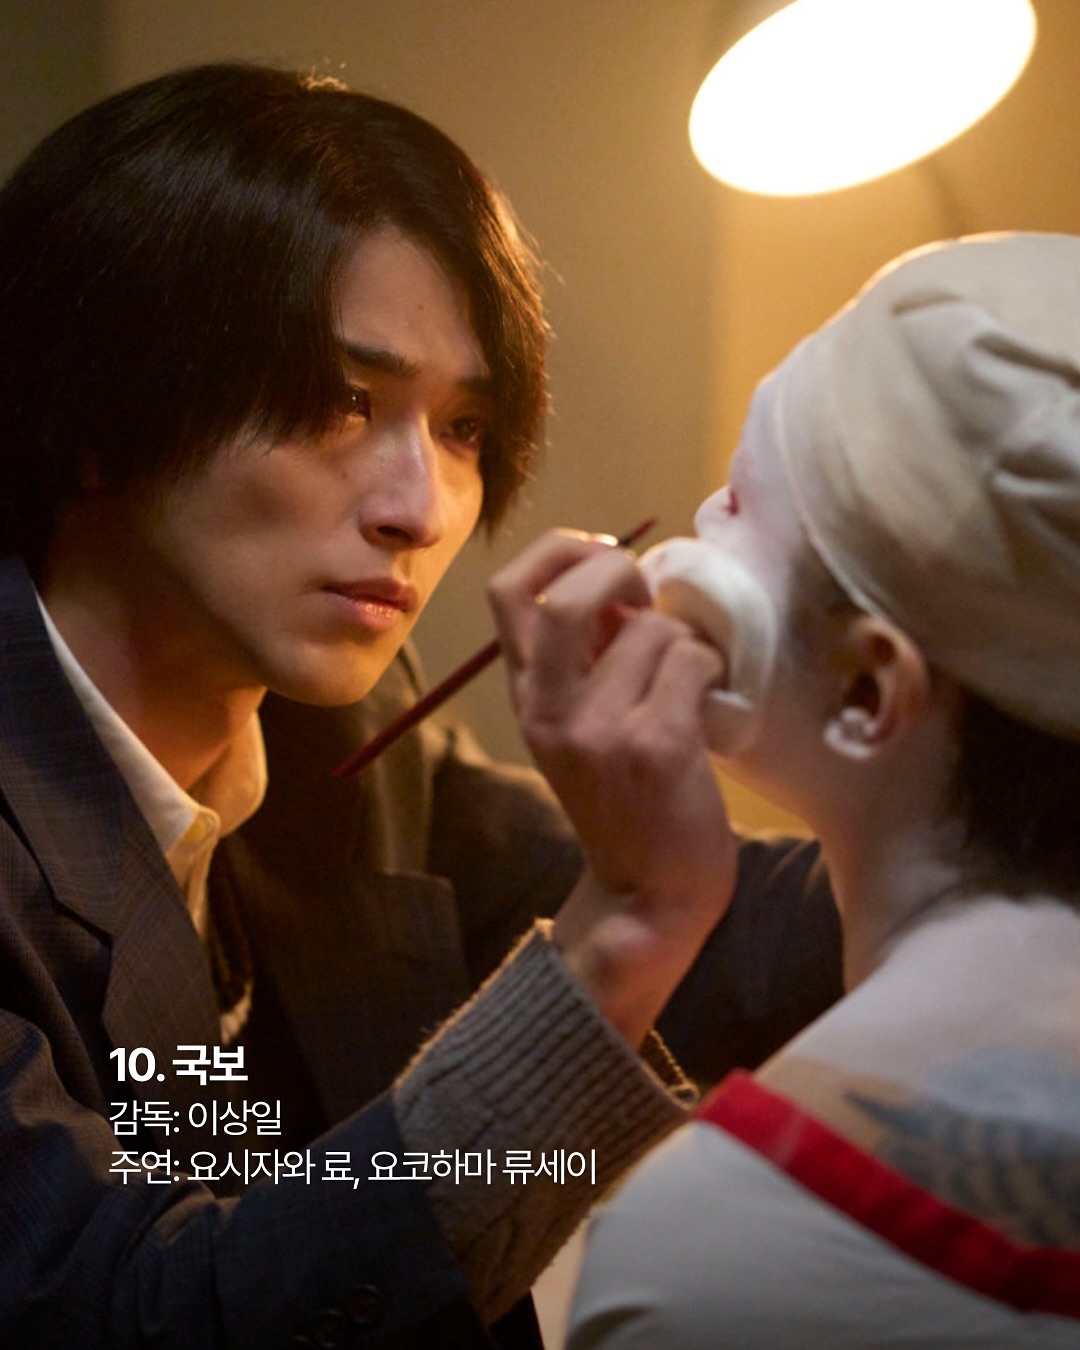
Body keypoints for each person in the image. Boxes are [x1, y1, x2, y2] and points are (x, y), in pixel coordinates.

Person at [0, 62, 842, 1348]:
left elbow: (751, 941)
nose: (421, 509)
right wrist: (621, 936)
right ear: (93, 409)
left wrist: (966, 748)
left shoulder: (333, 735)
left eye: (463, 428)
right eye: (343, 401)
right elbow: (132, 1314)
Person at [495, 232, 1080, 1347]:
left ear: (867, 692)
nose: (699, 517)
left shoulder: (727, 1249)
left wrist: (634, 907)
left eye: (740, 498)